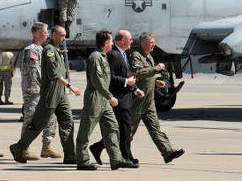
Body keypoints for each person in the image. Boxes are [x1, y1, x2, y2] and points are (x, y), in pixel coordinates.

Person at [10, 25, 81, 164]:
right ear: (53, 35)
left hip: (60, 93)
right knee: (39, 123)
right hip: (50, 93)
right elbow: (53, 74)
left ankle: (70, 155)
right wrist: (70, 86)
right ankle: (19, 147)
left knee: (67, 122)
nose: (64, 38)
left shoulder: (56, 50)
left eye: (65, 35)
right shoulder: (48, 50)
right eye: (61, 35)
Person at [76, 29, 137, 171]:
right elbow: (98, 81)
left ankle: (116, 159)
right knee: (86, 131)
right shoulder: (95, 57)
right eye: (110, 40)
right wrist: (110, 97)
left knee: (113, 128)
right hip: (95, 99)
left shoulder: (103, 57)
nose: (112, 43)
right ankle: (82, 161)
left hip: (104, 99)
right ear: (105, 43)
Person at [89, 30, 144, 166]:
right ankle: (125, 158)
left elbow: (127, 74)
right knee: (124, 129)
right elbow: (111, 78)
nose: (131, 42)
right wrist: (126, 82)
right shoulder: (113, 55)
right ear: (122, 41)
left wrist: (135, 88)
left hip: (125, 96)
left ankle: (100, 148)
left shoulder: (123, 54)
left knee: (121, 129)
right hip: (118, 98)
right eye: (130, 39)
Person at [129, 32, 185, 163]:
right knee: (129, 129)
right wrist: (155, 69)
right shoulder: (136, 56)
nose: (154, 45)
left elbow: (147, 76)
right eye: (151, 42)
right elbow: (138, 73)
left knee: (155, 128)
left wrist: (155, 81)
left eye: (154, 42)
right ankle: (118, 152)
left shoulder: (149, 56)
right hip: (138, 99)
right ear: (143, 43)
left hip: (149, 99)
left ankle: (168, 153)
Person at [19, 22, 61, 160]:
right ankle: (23, 148)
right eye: (45, 31)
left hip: (41, 92)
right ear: (37, 33)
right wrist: (43, 88)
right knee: (30, 120)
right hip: (33, 92)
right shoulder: (31, 50)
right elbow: (34, 73)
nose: (47, 34)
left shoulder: (41, 49)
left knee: (51, 118)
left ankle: (46, 147)